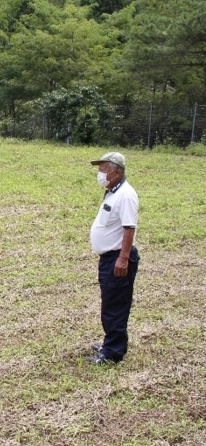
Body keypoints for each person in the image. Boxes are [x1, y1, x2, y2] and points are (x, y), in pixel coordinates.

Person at [87, 152, 140, 364]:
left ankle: (113, 354)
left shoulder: (126, 195)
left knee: (115, 306)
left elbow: (129, 228)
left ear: (117, 172)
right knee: (110, 303)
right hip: (110, 258)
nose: (100, 174)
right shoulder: (113, 191)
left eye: (103, 169)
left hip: (118, 258)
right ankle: (110, 344)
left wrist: (123, 258)